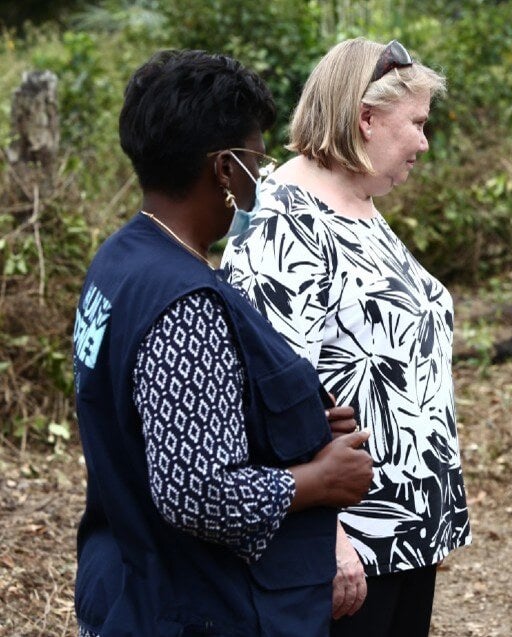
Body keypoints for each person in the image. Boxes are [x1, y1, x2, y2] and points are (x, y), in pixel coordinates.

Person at [72, 49, 374, 637]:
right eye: (256, 160)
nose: (261, 177)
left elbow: (153, 416)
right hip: (188, 606)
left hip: (126, 574)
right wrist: (316, 481)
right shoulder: (184, 303)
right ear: (224, 170)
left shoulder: (120, 259)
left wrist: (287, 426)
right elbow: (194, 491)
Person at [221, 38, 471, 636]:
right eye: (415, 123)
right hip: (349, 541)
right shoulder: (286, 219)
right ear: (365, 118)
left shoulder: (359, 201)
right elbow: (271, 392)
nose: (423, 141)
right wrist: (331, 540)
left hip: (407, 532)